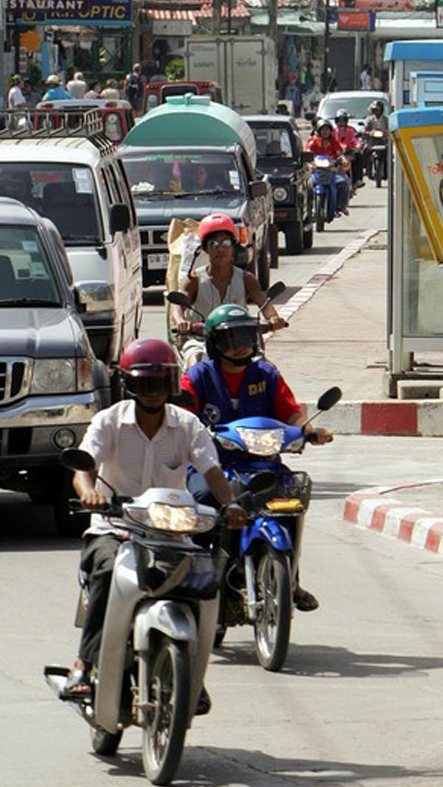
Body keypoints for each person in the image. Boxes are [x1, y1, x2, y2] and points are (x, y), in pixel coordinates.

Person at [59, 337, 243, 704]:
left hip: (171, 536)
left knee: (202, 584)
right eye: (147, 383)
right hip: (115, 530)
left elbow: (213, 472)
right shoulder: (108, 421)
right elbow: (84, 467)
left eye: (163, 384)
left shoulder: (188, 425)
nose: (156, 393)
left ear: (173, 385)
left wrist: (231, 505)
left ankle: (193, 672)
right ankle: (84, 663)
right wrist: (89, 492)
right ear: (129, 384)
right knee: (107, 573)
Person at [177, 304, 332, 611]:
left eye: (247, 337)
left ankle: (292, 575)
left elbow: (289, 410)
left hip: (263, 463)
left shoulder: (266, 373)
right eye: (232, 339)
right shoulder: (198, 375)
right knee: (203, 500)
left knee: (292, 493)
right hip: (214, 467)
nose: (241, 347)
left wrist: (310, 431)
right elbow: (183, 414)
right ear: (215, 344)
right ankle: (195, 573)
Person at [172, 213, 284, 350]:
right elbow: (178, 306)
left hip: (238, 342)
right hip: (201, 342)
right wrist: (181, 321)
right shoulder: (193, 280)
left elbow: (263, 302)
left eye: (225, 243)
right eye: (213, 244)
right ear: (205, 250)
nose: (220, 249)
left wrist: (273, 318)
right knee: (195, 357)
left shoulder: (246, 278)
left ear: (233, 247)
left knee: (261, 364)